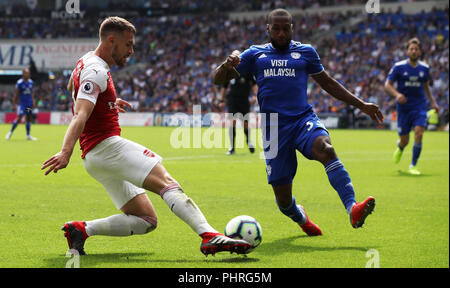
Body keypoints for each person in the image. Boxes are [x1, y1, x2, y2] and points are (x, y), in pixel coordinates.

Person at [41, 16, 251, 256]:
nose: (132, 51)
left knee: (146, 219)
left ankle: (82, 230)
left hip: (94, 159)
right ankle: (209, 235)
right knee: (168, 183)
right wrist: (65, 152)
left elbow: (72, 87)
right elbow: (80, 115)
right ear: (111, 41)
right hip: (106, 147)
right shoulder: (95, 69)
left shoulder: (86, 61)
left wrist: (107, 102)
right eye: (128, 44)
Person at [213, 9, 383, 235]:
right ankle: (301, 217)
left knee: (326, 149)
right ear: (268, 29)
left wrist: (361, 104)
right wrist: (226, 65)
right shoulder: (255, 54)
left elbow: (328, 83)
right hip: (274, 129)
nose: (282, 33)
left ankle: (352, 207)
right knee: (283, 201)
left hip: (303, 120)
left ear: (292, 28)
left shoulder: (306, 52)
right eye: (277, 29)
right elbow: (217, 80)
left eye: (286, 28)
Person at [385, 37, 439, 175]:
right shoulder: (399, 67)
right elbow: (387, 85)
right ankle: (400, 147)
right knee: (405, 140)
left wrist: (433, 102)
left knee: (419, 133)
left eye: (416, 49)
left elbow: (426, 87)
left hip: (420, 106)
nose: (414, 51)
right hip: (403, 108)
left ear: (420, 52)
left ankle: (413, 165)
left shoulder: (425, 68)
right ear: (407, 51)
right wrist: (397, 95)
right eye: (411, 49)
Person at [220, 73, 257, 155]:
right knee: (232, 121)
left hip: (244, 101)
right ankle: (232, 147)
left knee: (245, 124)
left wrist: (255, 95)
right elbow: (224, 87)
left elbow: (254, 84)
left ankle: (248, 141)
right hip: (232, 101)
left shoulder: (248, 72)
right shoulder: (230, 72)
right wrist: (221, 100)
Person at [5, 68, 37, 141]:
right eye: (26, 73)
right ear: (23, 74)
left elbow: (32, 93)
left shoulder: (31, 82)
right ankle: (10, 133)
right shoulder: (19, 83)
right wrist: (14, 104)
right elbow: (16, 94)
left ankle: (28, 135)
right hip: (22, 104)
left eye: (28, 73)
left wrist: (33, 101)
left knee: (28, 117)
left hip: (28, 104)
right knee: (19, 118)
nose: (28, 74)